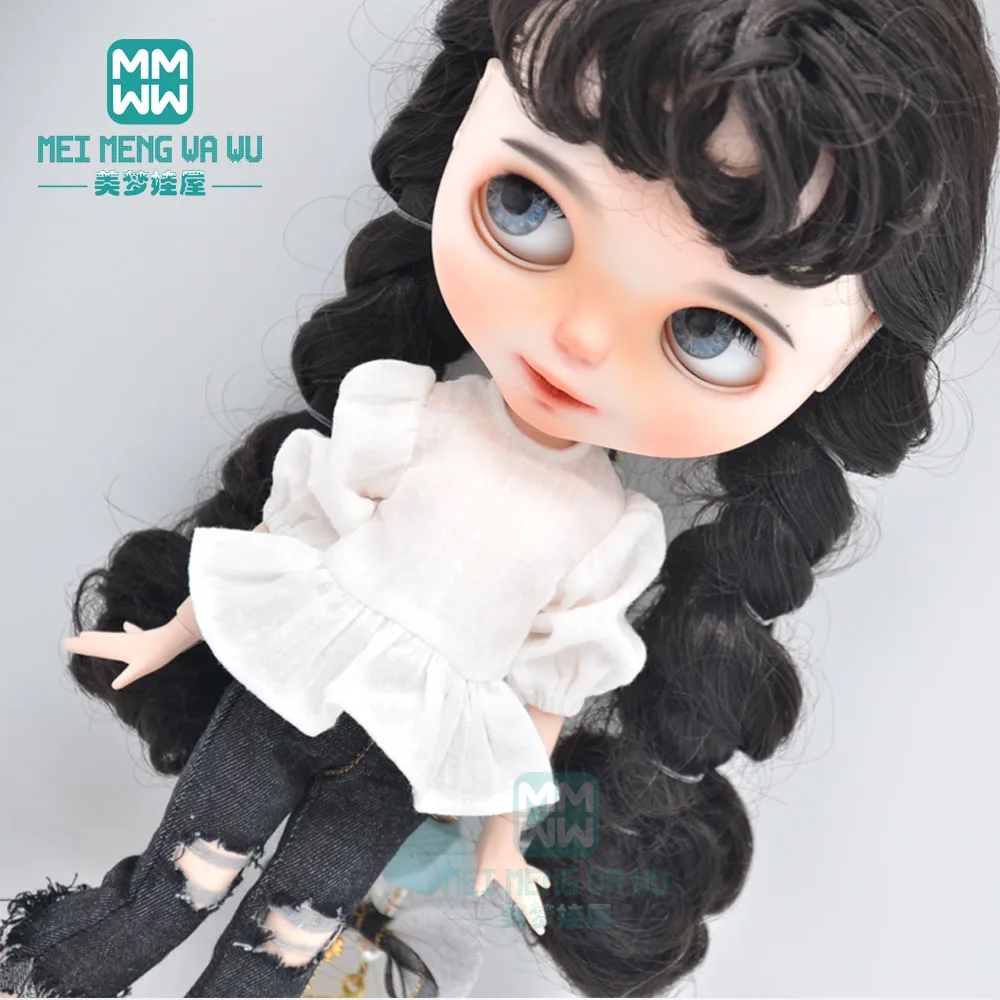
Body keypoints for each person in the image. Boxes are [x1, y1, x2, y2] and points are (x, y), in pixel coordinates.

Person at [2, 0, 998, 996]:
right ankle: (52, 971)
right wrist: (174, 632)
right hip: (292, 687)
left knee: (288, 940)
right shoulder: (408, 411)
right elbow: (285, 538)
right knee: (178, 880)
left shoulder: (612, 534)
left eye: (712, 331)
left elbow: (547, 695)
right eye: (527, 204)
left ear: (849, 354)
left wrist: (502, 836)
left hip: (408, 765)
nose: (581, 341)